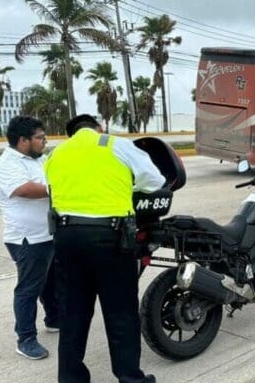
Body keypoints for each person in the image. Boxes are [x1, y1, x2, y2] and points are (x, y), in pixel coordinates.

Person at [44, 114, 164, 383]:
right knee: (120, 312)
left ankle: (71, 378)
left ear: (71, 134)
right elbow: (154, 182)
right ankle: (130, 377)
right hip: (111, 237)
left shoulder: (56, 154)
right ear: (99, 128)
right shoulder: (116, 145)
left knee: (72, 312)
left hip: (67, 237)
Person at [0, 115, 59, 360]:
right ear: (23, 140)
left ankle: (54, 319)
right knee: (29, 288)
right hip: (26, 238)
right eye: (40, 138)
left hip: (48, 234)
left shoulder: (40, 159)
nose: (45, 141)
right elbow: (25, 190)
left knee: (51, 281)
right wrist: (62, 187)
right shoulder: (7, 163)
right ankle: (26, 338)